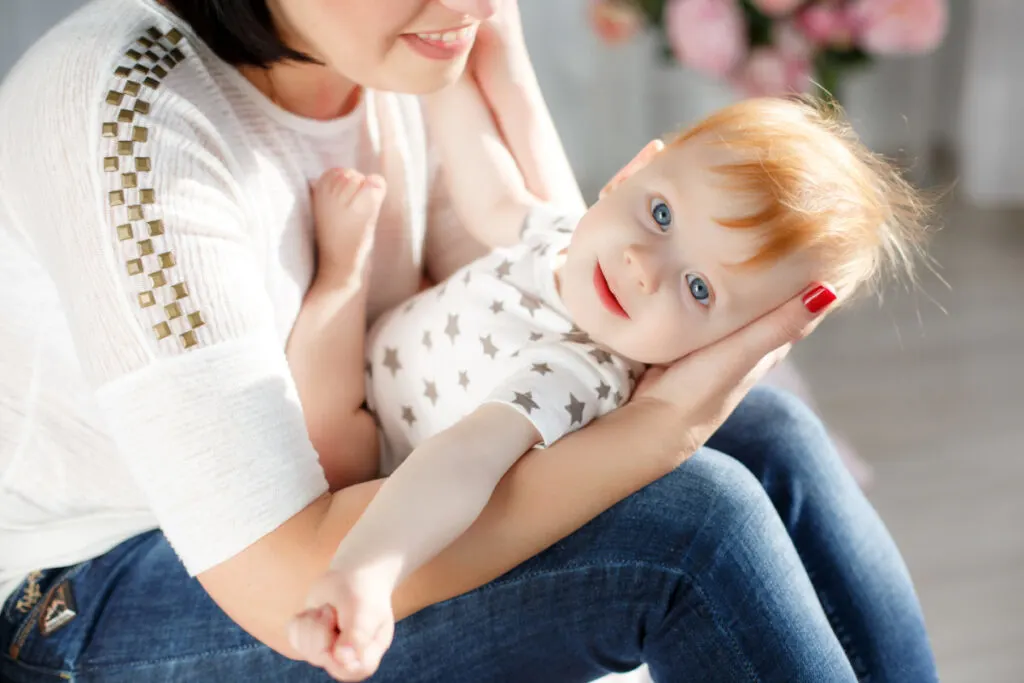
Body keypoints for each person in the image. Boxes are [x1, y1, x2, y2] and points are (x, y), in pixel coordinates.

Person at [0, 0, 937, 681]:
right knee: (696, 521)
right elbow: (287, 582)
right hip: (81, 595)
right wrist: (656, 437)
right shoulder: (128, 109)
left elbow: (552, 287)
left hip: (347, 475)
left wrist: (505, 65)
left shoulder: (398, 45)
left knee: (771, 434)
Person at [286, 90, 928, 677]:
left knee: (333, 415)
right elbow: (489, 192)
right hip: (393, 347)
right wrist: (452, 69)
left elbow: (462, 461)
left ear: (725, 348)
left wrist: (366, 571)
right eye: (661, 214)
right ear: (631, 172)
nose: (642, 267)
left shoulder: (575, 374)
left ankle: (340, 276)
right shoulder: (563, 239)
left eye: (699, 288)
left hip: (367, 459)